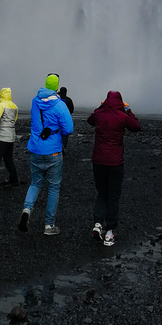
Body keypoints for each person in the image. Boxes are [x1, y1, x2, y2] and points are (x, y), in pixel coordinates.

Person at [18, 73, 74, 236]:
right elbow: (69, 129)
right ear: (56, 87)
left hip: (36, 149)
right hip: (53, 151)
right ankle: (49, 226)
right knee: (53, 188)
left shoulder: (35, 101)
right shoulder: (60, 105)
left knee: (35, 183)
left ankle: (26, 211)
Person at [87, 90, 141, 247]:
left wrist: (100, 107)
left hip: (98, 161)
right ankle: (109, 232)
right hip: (115, 163)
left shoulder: (100, 114)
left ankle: (97, 223)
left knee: (101, 193)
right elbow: (136, 126)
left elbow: (90, 120)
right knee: (113, 196)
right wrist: (128, 110)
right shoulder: (122, 116)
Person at [58, 86, 74, 153]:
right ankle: (63, 147)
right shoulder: (68, 100)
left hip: (57, 119)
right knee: (65, 133)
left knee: (57, 133)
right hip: (66, 119)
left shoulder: (57, 99)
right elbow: (72, 109)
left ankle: (57, 147)